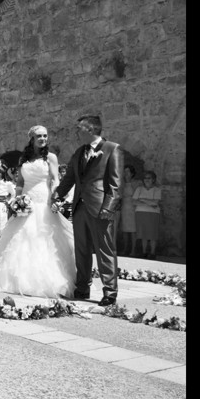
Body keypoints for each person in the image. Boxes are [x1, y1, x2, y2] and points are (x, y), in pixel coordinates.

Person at [0, 126, 76, 298]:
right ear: (32, 139)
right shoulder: (24, 158)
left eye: (45, 136)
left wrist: (55, 199)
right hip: (26, 203)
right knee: (21, 237)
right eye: (39, 136)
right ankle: (16, 278)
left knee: (42, 238)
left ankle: (45, 281)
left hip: (44, 201)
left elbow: (55, 180)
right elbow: (20, 181)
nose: (43, 139)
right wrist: (16, 199)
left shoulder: (51, 157)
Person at [53, 116, 123, 306]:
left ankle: (110, 292)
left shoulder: (112, 149)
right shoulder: (79, 152)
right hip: (79, 207)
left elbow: (116, 184)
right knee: (82, 250)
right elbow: (69, 179)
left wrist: (109, 207)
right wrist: (55, 196)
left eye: (79, 129)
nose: (76, 132)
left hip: (100, 207)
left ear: (90, 129)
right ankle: (83, 288)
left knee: (105, 249)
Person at [133, 170, 162, 260]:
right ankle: (144, 252)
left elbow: (156, 203)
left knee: (153, 234)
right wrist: (149, 202)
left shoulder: (157, 190)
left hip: (153, 214)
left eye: (149, 178)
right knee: (143, 234)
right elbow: (134, 201)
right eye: (145, 178)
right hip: (140, 213)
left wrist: (142, 200)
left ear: (153, 179)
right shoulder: (139, 189)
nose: (146, 180)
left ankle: (152, 253)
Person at [118, 165, 139, 256]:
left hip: (133, 207)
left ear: (132, 174)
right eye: (124, 172)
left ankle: (133, 250)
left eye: (127, 172)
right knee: (125, 229)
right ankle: (126, 249)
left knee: (133, 230)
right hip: (124, 207)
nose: (125, 174)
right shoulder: (121, 183)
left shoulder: (137, 183)